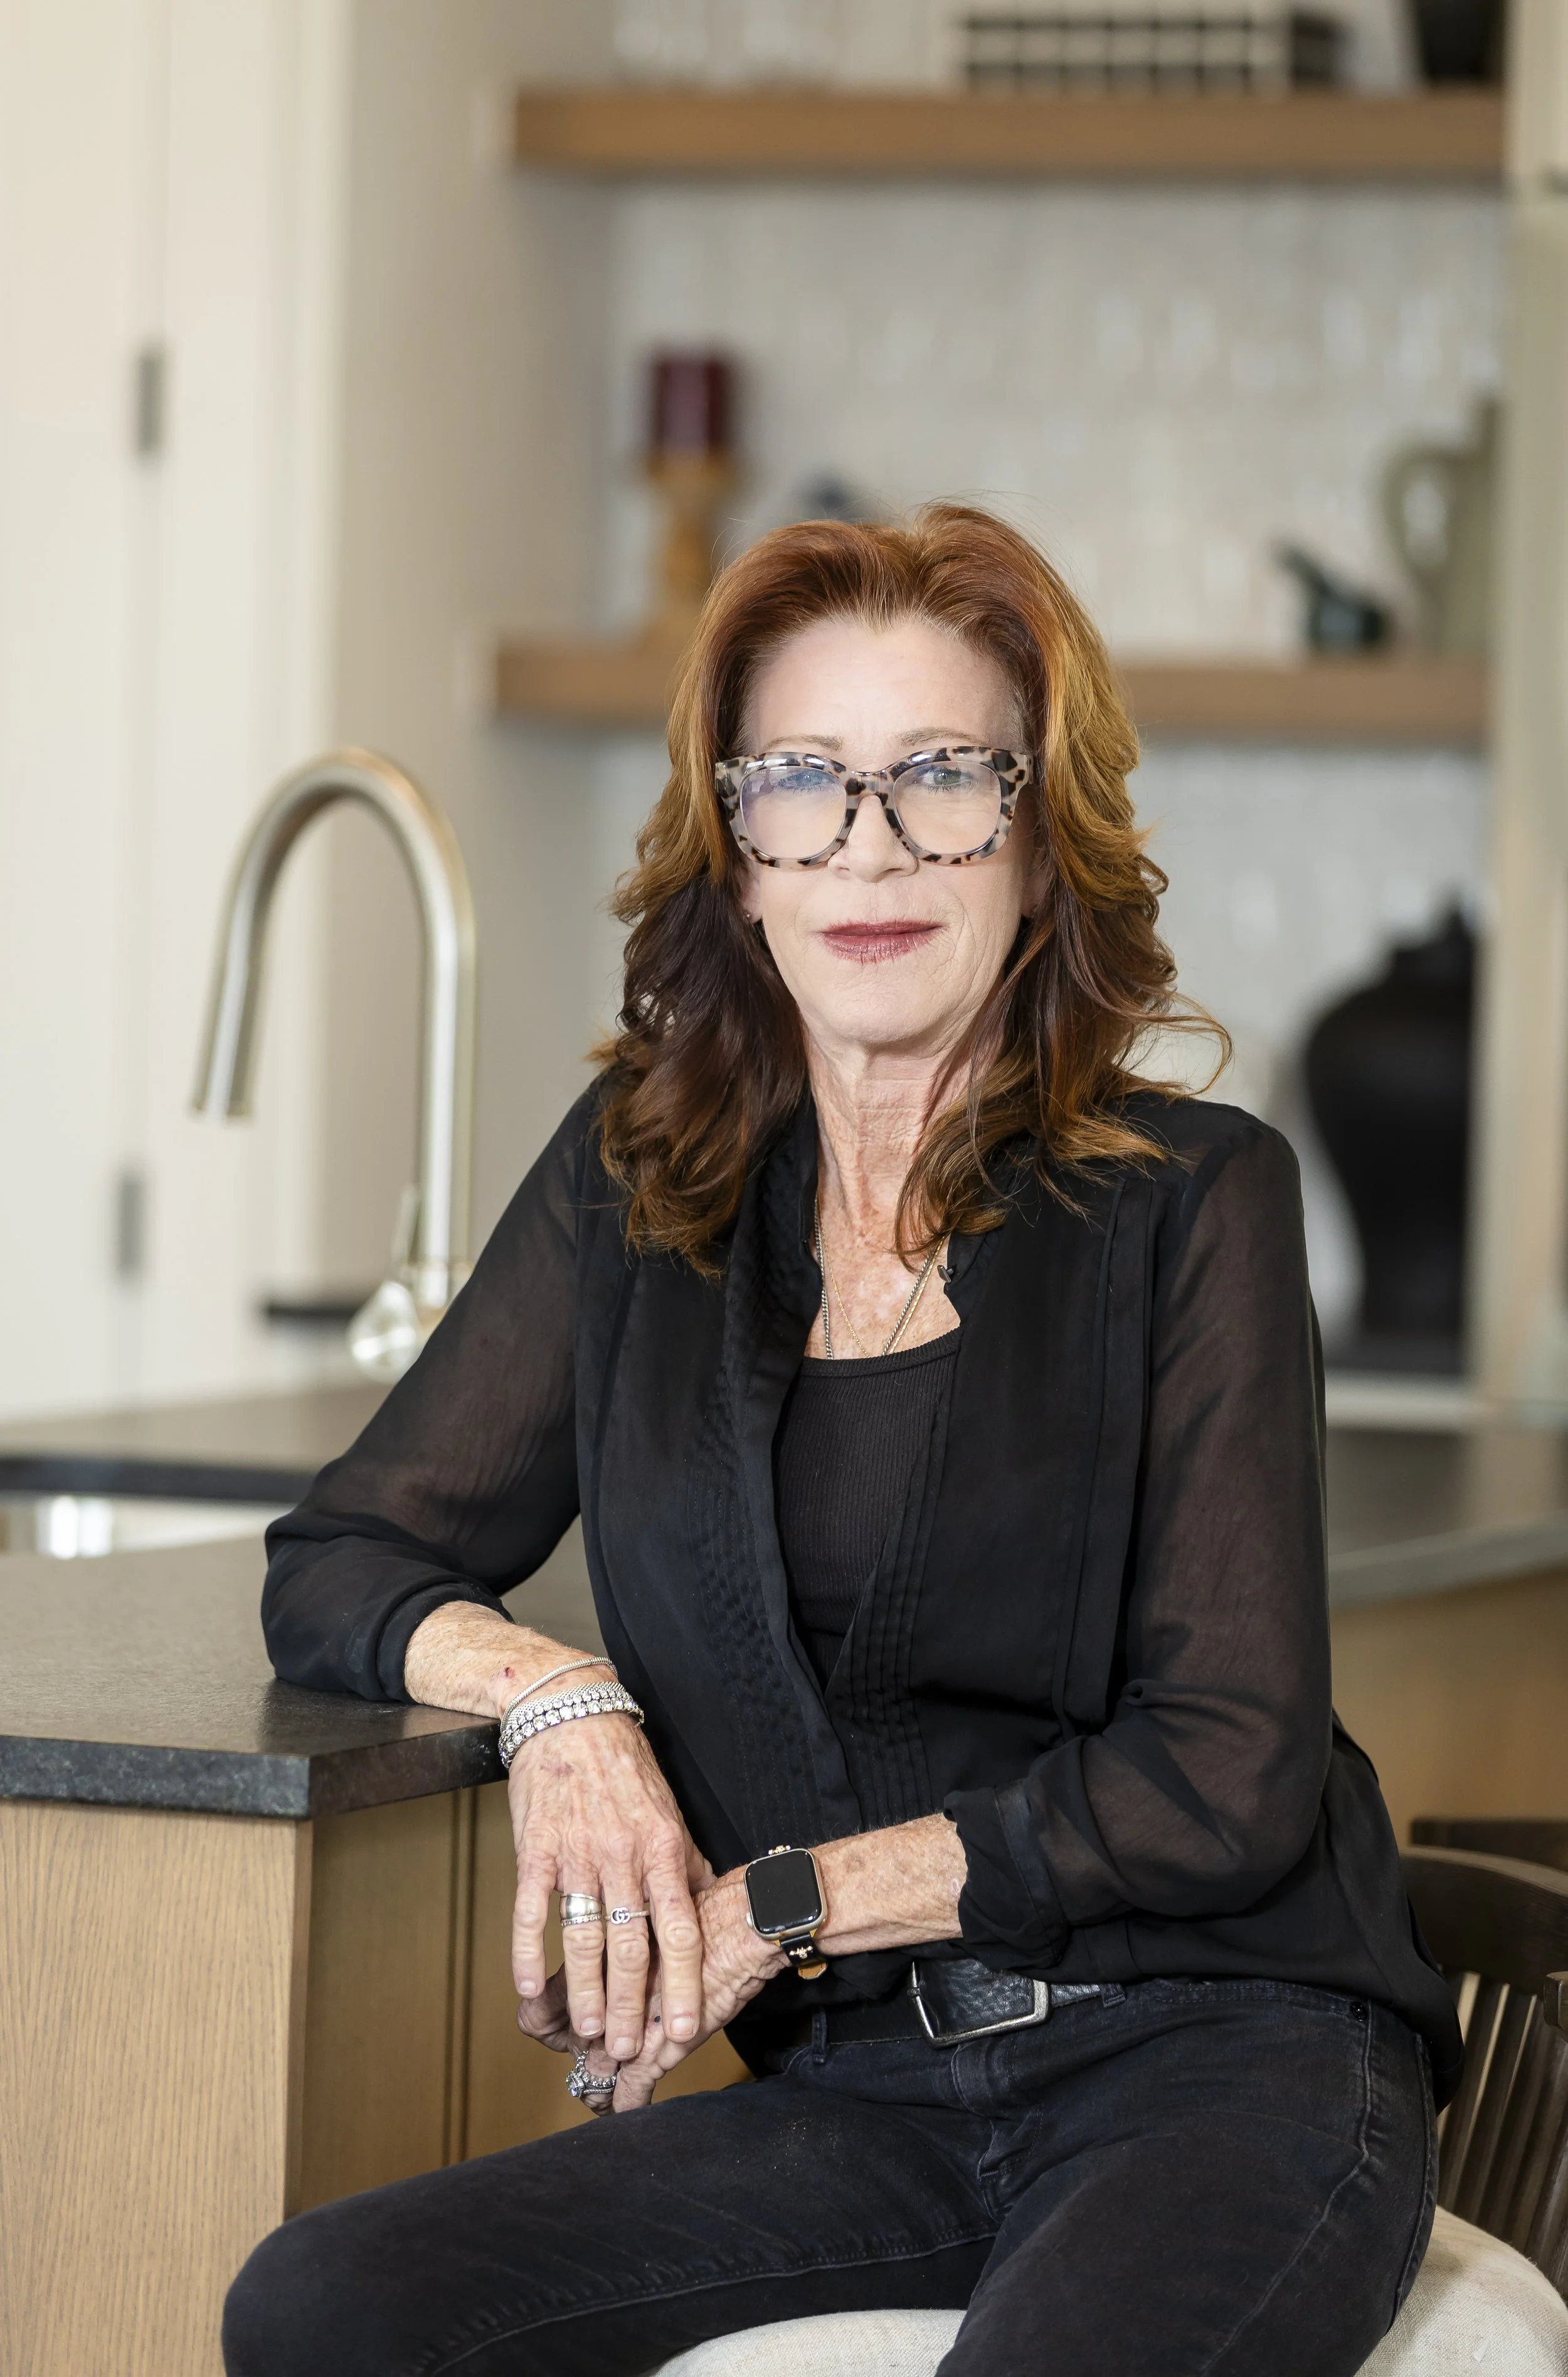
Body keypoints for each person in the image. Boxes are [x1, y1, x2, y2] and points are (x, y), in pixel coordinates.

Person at [225, 504, 1459, 2377]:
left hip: (1220, 2058)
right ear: (736, 857)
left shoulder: (1195, 1199)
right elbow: (344, 1555)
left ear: (1040, 849)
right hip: (873, 2088)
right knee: (328, 2308)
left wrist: (792, 1898)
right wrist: (561, 1707)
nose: (869, 846)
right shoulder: (643, 1192)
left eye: (944, 780)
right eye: (802, 780)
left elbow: (1226, 1771)